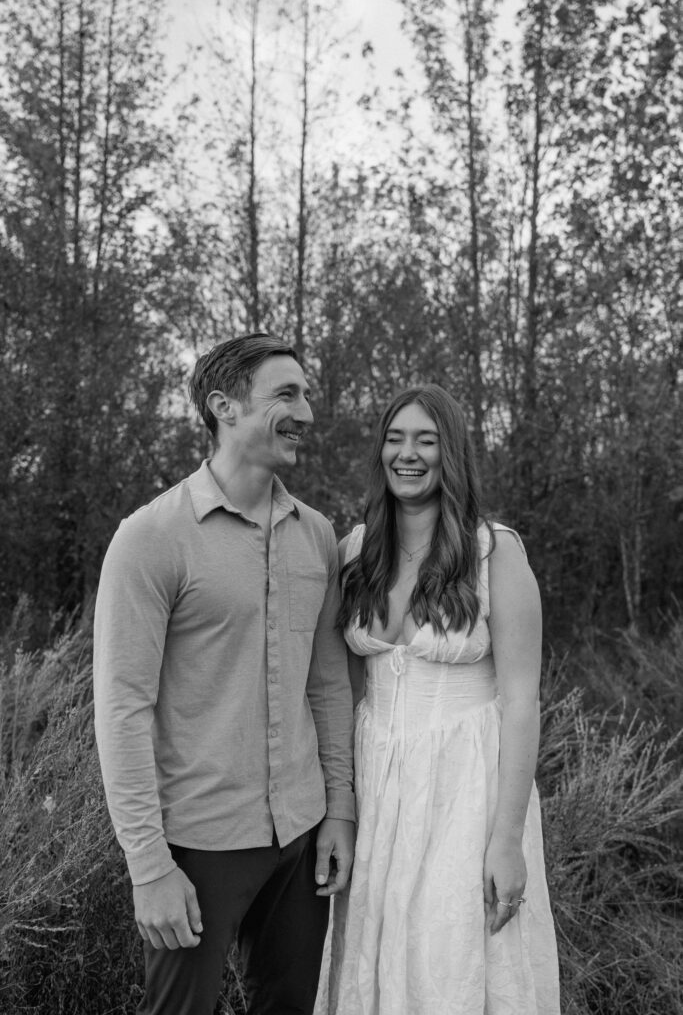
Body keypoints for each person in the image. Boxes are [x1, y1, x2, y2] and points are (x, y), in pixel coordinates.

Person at [93, 333, 355, 1015]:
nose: (307, 412)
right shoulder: (151, 538)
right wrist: (149, 867)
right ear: (225, 406)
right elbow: (122, 709)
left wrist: (339, 813)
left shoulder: (317, 536)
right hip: (198, 846)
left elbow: (326, 685)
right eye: (287, 395)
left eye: (307, 394)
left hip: (300, 838)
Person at [319, 385, 560, 1015]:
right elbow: (342, 690)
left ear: (451, 454)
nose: (408, 454)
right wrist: (339, 808)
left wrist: (506, 838)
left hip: (466, 792)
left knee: (451, 960)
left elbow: (521, 704)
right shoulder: (355, 550)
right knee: (376, 956)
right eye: (396, 439)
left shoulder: (494, 552)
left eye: (426, 440)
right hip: (378, 791)